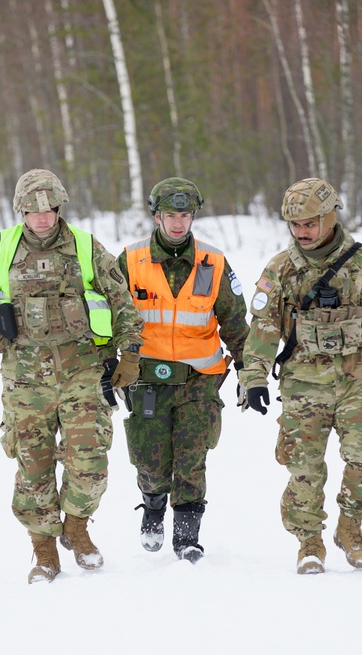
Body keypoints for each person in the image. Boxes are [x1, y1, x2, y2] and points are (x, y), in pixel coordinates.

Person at [0, 168, 144, 584]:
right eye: (32, 211)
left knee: (90, 462)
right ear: (20, 211)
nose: (42, 218)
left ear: (59, 208)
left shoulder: (88, 249)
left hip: (83, 371)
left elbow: (123, 302)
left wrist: (131, 354)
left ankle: (76, 526)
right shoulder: (1, 253)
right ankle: (44, 551)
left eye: (49, 209)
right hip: (25, 379)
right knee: (32, 467)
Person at [238, 177, 362, 574]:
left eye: (310, 223)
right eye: (295, 225)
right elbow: (263, 325)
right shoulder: (281, 269)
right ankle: (309, 541)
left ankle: (350, 528)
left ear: (331, 217)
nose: (303, 232)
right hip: (302, 384)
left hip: (356, 378)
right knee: (304, 467)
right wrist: (255, 378)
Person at [117, 177, 249, 563]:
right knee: (152, 463)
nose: (178, 224)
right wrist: (107, 368)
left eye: (185, 215)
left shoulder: (214, 262)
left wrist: (247, 371)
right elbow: (106, 317)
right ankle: (153, 508)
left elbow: (235, 321)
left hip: (199, 378)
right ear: (156, 216)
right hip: (145, 379)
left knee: (192, 460)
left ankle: (186, 538)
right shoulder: (129, 260)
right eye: (171, 215)